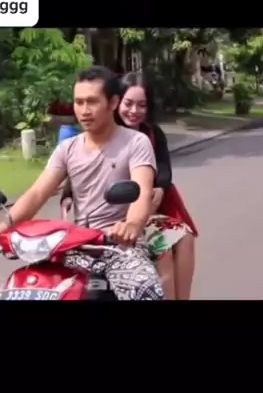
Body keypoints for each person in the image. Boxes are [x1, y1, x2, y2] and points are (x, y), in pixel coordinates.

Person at [0, 66, 164, 301]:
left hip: (119, 247)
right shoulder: (67, 149)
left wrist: (131, 226)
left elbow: (142, 192)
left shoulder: (136, 143)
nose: (84, 110)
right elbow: (37, 193)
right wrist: (1, 228)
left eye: (92, 102)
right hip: (76, 245)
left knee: (147, 291)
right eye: (79, 102)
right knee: (28, 288)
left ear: (113, 103)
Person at [60, 71, 198, 300]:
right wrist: (67, 195)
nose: (134, 111)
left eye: (141, 105)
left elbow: (163, 170)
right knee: (161, 250)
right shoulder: (100, 132)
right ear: (115, 103)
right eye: (129, 104)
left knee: (184, 236)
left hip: (144, 212)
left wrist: (159, 189)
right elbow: (80, 168)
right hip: (109, 219)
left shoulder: (149, 135)